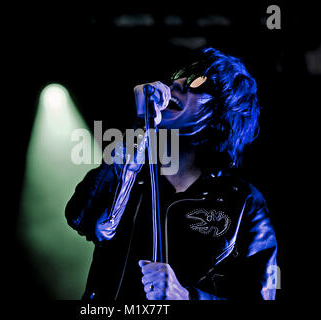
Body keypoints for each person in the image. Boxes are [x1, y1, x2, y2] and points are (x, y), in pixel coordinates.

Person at [65, 47, 278, 300]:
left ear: (221, 113)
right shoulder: (133, 175)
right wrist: (140, 125)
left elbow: (261, 296)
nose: (176, 83)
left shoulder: (244, 202)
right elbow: (87, 219)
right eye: (178, 75)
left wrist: (186, 297)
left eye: (197, 81)